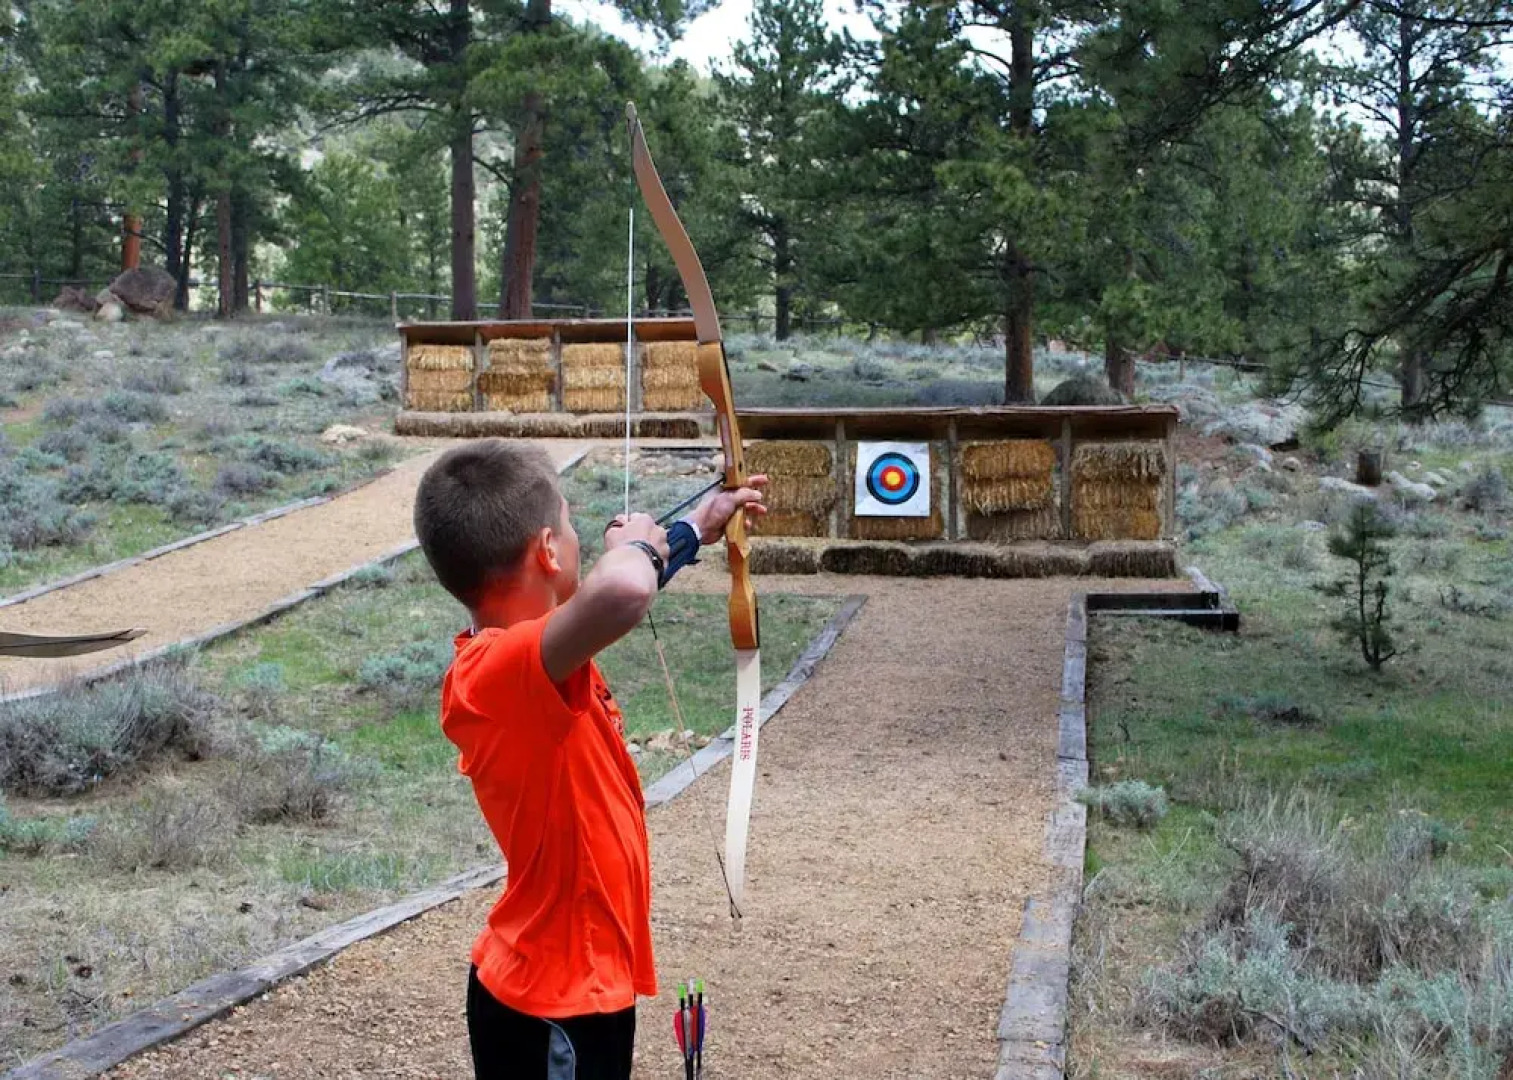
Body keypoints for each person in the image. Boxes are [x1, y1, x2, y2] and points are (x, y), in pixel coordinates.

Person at [411, 439, 765, 1080]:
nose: (583, 539)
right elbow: (624, 588)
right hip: (550, 1004)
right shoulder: (492, 671)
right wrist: (634, 546)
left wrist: (691, 529)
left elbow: (617, 592)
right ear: (548, 550)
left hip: (575, 989)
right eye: (571, 527)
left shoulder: (540, 658)